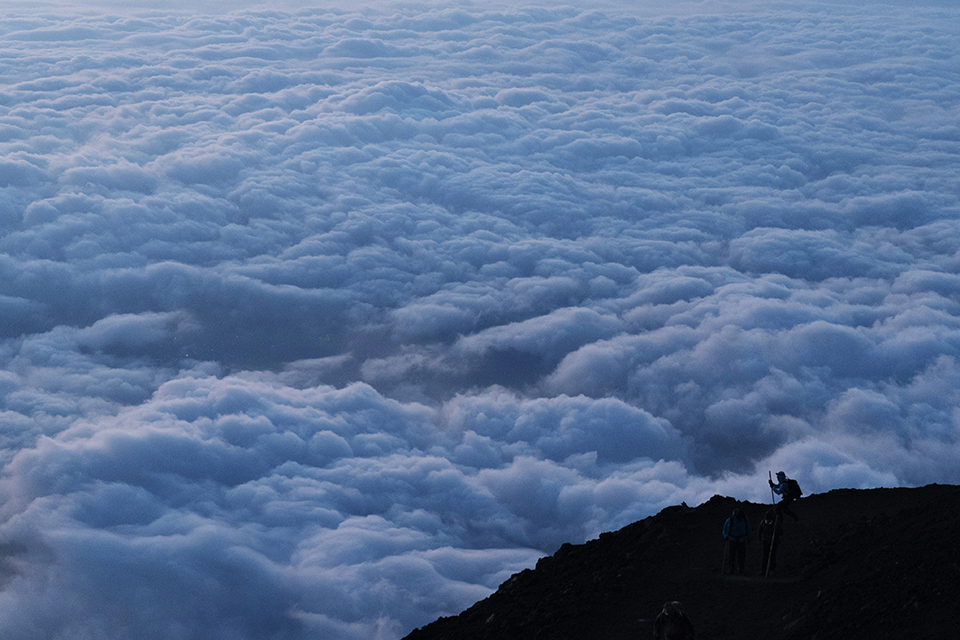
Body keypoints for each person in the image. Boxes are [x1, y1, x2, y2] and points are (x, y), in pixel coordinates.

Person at [722, 507, 751, 575]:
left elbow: (748, 528)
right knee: (732, 555)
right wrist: (725, 536)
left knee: (741, 555)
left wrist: (749, 537)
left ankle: (740, 569)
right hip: (733, 539)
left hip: (741, 539)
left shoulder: (745, 520)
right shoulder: (730, 520)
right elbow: (725, 529)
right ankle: (731, 569)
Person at [757, 509, 782, 576]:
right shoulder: (763, 522)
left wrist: (776, 528)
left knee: (772, 556)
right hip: (765, 541)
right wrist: (759, 539)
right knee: (764, 556)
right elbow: (760, 530)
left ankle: (771, 570)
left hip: (774, 541)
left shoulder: (776, 522)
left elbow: (781, 532)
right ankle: (763, 570)